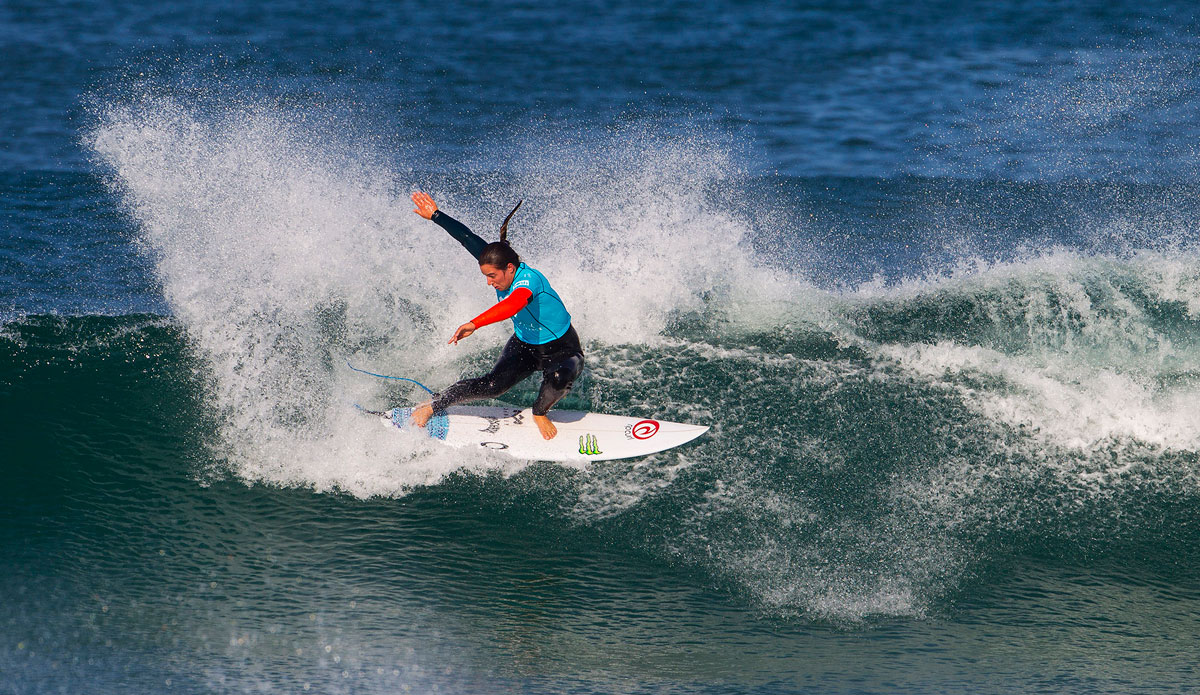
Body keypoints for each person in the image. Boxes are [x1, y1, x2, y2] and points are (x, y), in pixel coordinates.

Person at [408, 191, 584, 440]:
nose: (489, 282)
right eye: (486, 276)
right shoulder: (497, 263)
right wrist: (436, 216)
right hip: (525, 345)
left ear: (510, 268)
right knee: (492, 386)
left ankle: (540, 412)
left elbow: (512, 306)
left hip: (562, 348)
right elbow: (467, 238)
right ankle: (433, 404)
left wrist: (474, 323)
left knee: (558, 377)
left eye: (492, 276)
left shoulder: (528, 280)